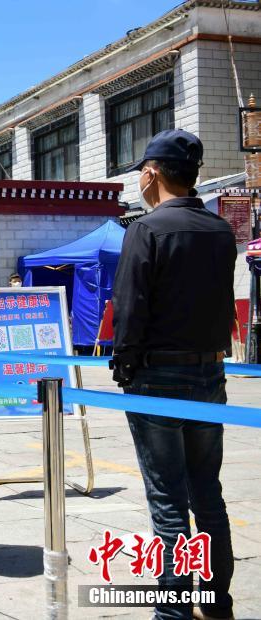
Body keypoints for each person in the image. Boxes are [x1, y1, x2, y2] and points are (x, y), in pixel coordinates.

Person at [112, 129, 236, 620]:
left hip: (157, 377)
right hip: (210, 372)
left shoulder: (146, 229)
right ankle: (217, 601)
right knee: (207, 492)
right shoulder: (220, 229)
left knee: (167, 500)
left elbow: (130, 306)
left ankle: (173, 611)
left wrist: (125, 366)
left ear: (151, 173)